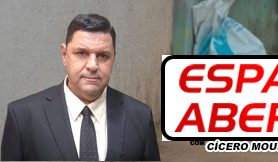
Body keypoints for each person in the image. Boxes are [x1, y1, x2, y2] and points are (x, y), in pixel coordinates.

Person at [1, 14, 160, 161]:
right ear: (64, 55)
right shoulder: (23, 117)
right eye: (82, 53)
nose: (92, 65)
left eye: (102, 55)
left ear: (113, 58)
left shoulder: (140, 116)